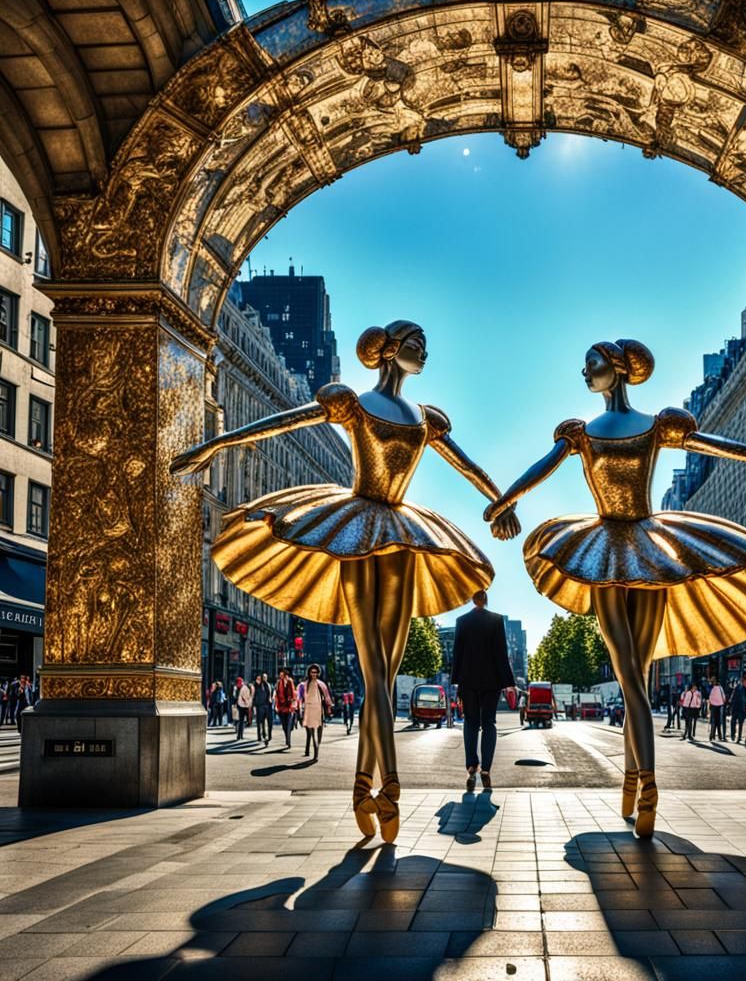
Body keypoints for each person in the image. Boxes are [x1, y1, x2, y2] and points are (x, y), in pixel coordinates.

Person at [172, 320, 519, 843]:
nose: (424, 354)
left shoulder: (425, 419)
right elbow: (283, 423)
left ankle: (363, 784)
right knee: (374, 671)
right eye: (416, 346)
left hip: (402, 535)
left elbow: (466, 465)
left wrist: (501, 500)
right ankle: (390, 787)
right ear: (390, 351)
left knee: (382, 672)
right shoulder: (352, 403)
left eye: (426, 346)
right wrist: (215, 445)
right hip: (356, 530)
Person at [485, 338, 746, 837]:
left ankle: (643, 782)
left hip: (641, 548)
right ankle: (641, 782)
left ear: (614, 371)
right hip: (612, 549)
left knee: (633, 675)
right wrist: (503, 501)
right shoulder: (584, 433)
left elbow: (715, 445)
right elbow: (541, 469)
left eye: (590, 364)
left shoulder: (650, 426)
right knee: (632, 674)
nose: (583, 371)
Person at [451, 590, 515, 790]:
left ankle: (471, 767)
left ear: (472, 599)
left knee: (470, 723)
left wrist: (457, 682)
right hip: (491, 682)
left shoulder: (462, 621)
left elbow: (458, 654)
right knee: (489, 723)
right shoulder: (496, 620)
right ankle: (486, 770)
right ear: (486, 600)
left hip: (468, 681)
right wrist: (508, 682)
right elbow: (500, 653)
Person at [298, 663, 332, 761]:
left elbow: (327, 697)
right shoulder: (304, 685)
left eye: (316, 672)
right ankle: (315, 749)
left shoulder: (321, 684)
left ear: (318, 673)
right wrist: (300, 709)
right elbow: (300, 698)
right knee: (312, 731)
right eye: (312, 672)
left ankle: (317, 746)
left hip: (318, 709)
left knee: (319, 730)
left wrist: (329, 708)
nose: (314, 674)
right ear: (309, 672)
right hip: (309, 709)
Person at [274, 669, 296, 748]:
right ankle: (287, 738)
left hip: (289, 706)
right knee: (284, 725)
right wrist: (276, 705)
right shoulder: (279, 683)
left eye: (282, 675)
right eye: (280, 675)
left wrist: (292, 701)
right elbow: (276, 694)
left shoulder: (290, 681)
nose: (281, 677)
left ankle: (288, 741)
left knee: (289, 724)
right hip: (281, 707)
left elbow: (293, 693)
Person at [253, 673, 273, 745]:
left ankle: (267, 735)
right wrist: (255, 705)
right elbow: (254, 695)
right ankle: (259, 736)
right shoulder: (257, 685)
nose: (264, 678)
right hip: (260, 706)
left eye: (265, 677)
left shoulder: (268, 685)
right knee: (259, 722)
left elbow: (271, 694)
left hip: (267, 705)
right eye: (263, 677)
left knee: (268, 721)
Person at [706, 676, 726, 741]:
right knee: (718, 721)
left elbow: (709, 697)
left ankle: (712, 735)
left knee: (713, 721)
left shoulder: (711, 688)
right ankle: (719, 736)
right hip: (720, 705)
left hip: (713, 705)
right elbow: (723, 697)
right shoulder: (720, 688)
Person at [234, 676, 252, 741]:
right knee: (241, 721)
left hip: (244, 706)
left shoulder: (243, 688)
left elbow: (246, 697)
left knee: (242, 721)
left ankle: (240, 735)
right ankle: (240, 735)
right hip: (242, 706)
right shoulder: (238, 688)